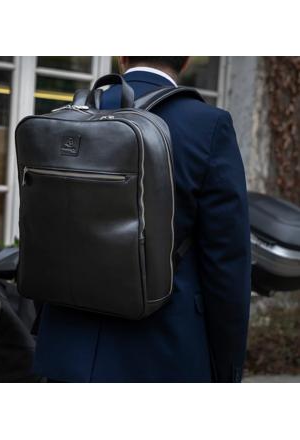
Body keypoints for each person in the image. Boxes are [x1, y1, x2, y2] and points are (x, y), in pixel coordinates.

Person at [33, 56, 251, 382]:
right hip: (161, 352)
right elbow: (227, 262)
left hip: (64, 346)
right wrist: (228, 367)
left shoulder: (70, 114)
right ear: (186, 60)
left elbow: (44, 232)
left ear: (122, 57)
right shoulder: (207, 124)